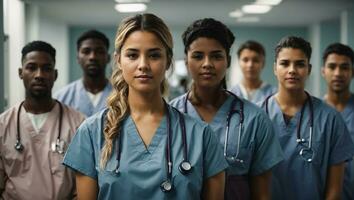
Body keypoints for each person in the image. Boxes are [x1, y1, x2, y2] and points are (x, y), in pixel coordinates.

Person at [63, 13, 227, 200]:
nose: (143, 65)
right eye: (132, 55)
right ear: (118, 60)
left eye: (154, 55)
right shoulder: (92, 132)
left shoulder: (200, 135)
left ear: (168, 61)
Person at [170, 18, 284, 200]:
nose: (207, 64)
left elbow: (262, 194)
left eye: (216, 56)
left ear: (228, 61)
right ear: (186, 62)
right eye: (198, 56)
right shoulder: (170, 115)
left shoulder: (255, 119)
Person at [260, 36, 354, 200]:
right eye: (285, 63)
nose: (292, 70)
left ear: (309, 69)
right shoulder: (257, 115)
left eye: (300, 64)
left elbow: (334, 190)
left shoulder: (330, 118)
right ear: (275, 68)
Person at [0, 41, 85, 199]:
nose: (39, 75)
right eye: (31, 67)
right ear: (20, 72)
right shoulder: (3, 125)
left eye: (46, 68)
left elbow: (84, 185)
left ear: (55, 74)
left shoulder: (79, 124)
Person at [321, 43, 354, 200]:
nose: (338, 73)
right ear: (323, 71)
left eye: (344, 67)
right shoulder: (315, 115)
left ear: (352, 72)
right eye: (332, 67)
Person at [55, 30, 112, 117]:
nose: (92, 57)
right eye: (86, 51)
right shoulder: (61, 97)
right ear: (78, 58)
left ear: (108, 58)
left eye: (99, 52)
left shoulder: (122, 96)